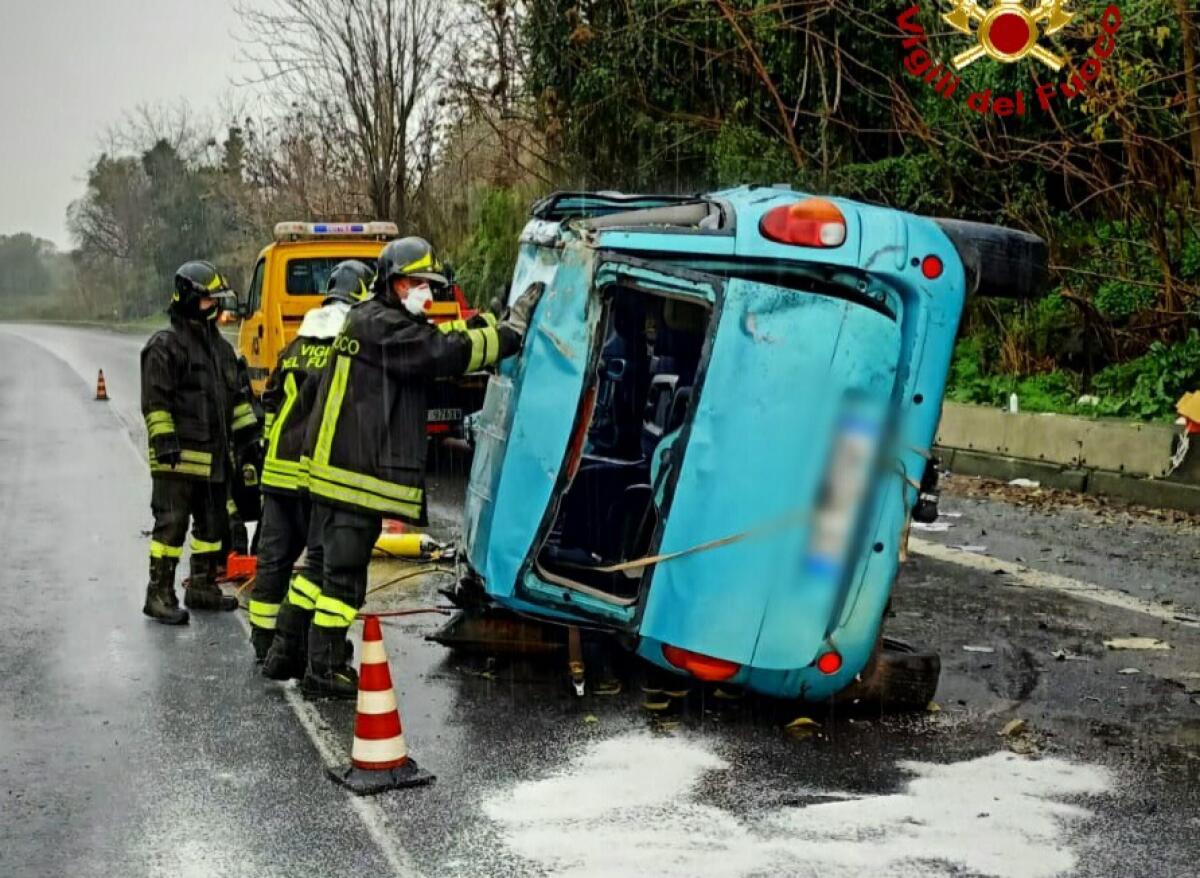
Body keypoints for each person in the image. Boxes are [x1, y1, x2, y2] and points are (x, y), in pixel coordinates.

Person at [290, 237, 540, 698]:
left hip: (334, 474)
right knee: (342, 580)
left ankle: (286, 650)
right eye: (421, 284)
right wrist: (510, 334)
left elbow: (441, 338)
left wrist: (486, 321)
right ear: (396, 283)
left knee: (319, 569)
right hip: (354, 479)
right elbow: (444, 353)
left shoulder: (373, 319)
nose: (428, 293)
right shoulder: (386, 328)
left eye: (431, 285)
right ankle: (323, 669)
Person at [250, 260, 373, 663]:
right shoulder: (347, 347)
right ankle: (309, 646)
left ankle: (266, 644)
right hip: (314, 474)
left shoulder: (296, 345)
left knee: (274, 561)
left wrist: (270, 447)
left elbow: (270, 401)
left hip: (277, 472)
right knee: (320, 563)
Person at [141, 261, 259, 624]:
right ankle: (159, 593)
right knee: (171, 527)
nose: (217, 308)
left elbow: (239, 401)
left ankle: (203, 586)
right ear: (191, 299)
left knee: (213, 528)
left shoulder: (221, 350)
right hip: (176, 460)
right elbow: (155, 401)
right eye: (211, 301)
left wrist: (250, 442)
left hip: (214, 460)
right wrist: (164, 440)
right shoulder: (165, 346)